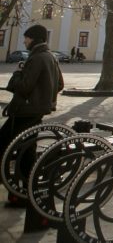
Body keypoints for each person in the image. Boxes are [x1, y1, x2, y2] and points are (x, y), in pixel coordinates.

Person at [1, 25, 64, 209]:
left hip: (24, 112)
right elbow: (59, 84)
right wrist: (45, 98)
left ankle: (20, 193)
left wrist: (16, 75)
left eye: (27, 38)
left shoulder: (36, 58)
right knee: (26, 152)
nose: (24, 41)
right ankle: (24, 194)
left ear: (34, 39)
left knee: (10, 148)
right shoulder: (51, 57)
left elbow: (24, 86)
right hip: (37, 112)